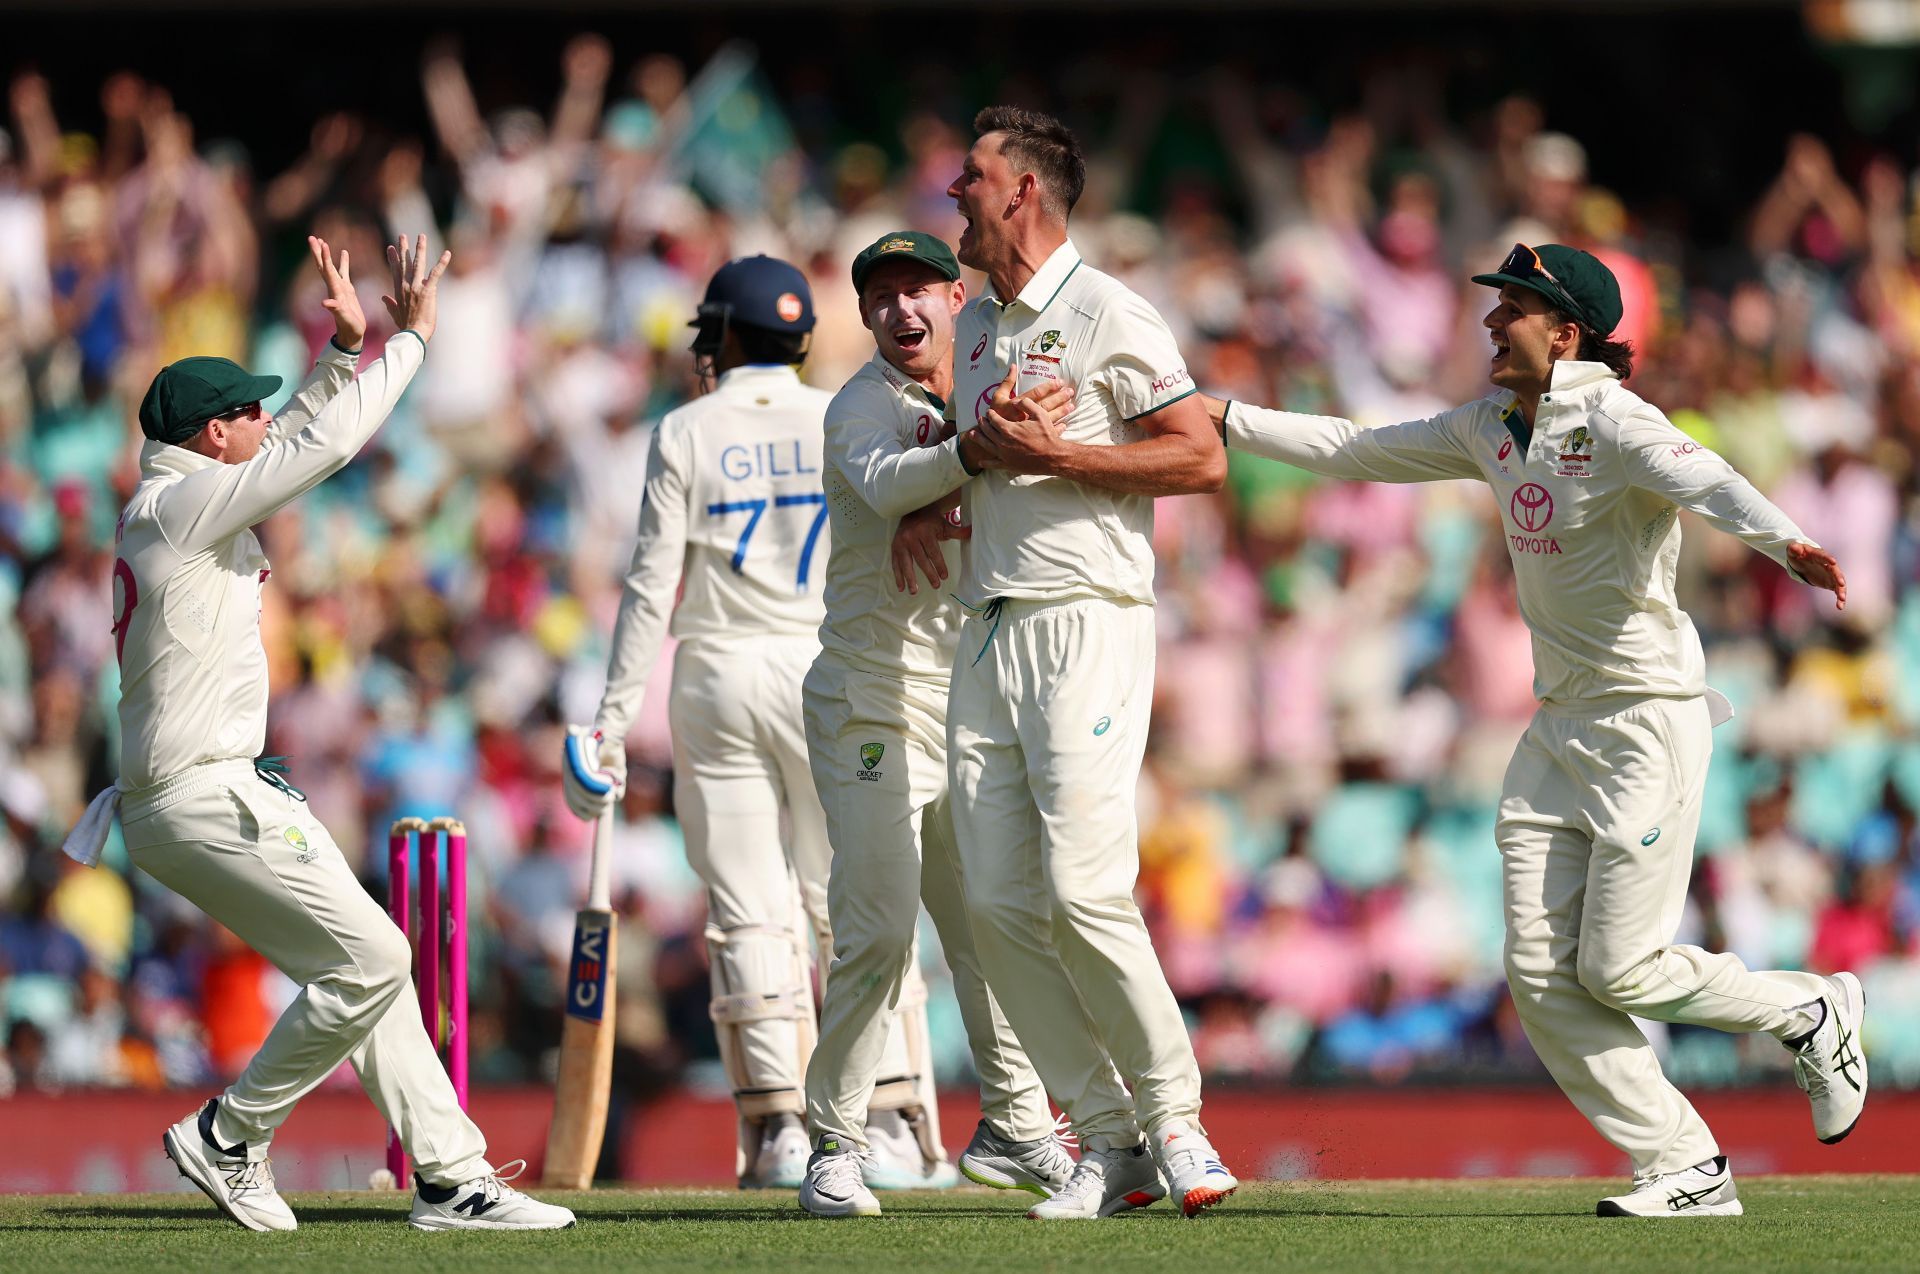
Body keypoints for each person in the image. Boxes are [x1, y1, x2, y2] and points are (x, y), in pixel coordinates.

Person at [1204, 242, 1866, 1218]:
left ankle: (1811, 1008)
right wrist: (1218, 416)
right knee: (1542, 973)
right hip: (1557, 728)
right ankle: (1684, 1161)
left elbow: (1711, 478)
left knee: (1619, 966)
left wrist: (1787, 541)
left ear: (1566, 332)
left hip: (1649, 721)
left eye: (1510, 307)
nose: (1487, 322)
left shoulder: (1617, 420)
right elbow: (1354, 447)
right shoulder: (1488, 428)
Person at [63, 235, 574, 1232]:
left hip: (216, 788)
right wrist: (410, 343)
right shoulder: (180, 507)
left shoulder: (184, 497)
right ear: (212, 434)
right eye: (247, 407)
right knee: (376, 960)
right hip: (201, 791)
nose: (265, 413)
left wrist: (343, 354)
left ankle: (449, 1175)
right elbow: (319, 448)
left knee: (369, 969)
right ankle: (229, 1132)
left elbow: (292, 437)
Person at [562, 256, 934, 1190]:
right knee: (846, 897)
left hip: (720, 674)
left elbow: (652, 583)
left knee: (749, 910)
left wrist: (609, 722)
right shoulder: (846, 408)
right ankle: (885, 1118)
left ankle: (777, 1132)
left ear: (723, 334)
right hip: (831, 666)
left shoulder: (685, 429)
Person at [930, 106, 1238, 1219]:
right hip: (987, 625)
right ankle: (1105, 1139)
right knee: (998, 901)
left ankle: (1177, 1120)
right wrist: (940, 497)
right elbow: (982, 459)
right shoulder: (973, 330)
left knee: (1084, 888)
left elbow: (1199, 456)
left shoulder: (1111, 309)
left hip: (1087, 620)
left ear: (1023, 192)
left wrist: (1056, 450)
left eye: (968, 176)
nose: (950, 191)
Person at [794, 230, 1080, 1217]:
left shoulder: (988, 386)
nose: (900, 310)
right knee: (878, 925)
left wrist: (962, 465)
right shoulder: (860, 405)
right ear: (867, 315)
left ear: (955, 298)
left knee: (996, 919)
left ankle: (1017, 1123)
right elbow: (886, 481)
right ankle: (831, 1141)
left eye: (918, 289)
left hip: (962, 701)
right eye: (881, 297)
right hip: (869, 699)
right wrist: (958, 465)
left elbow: (1014, 471)